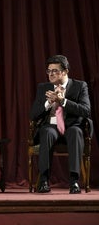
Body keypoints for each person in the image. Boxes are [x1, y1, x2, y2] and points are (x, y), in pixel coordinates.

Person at [30, 55, 91, 194]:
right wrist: (48, 103)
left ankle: (74, 181)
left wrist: (63, 101)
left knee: (76, 132)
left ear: (65, 71)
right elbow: (33, 114)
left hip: (71, 126)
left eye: (55, 71)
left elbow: (86, 111)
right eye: (49, 71)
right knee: (46, 132)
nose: (50, 74)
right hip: (51, 127)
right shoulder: (43, 87)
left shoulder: (80, 86)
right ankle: (44, 181)